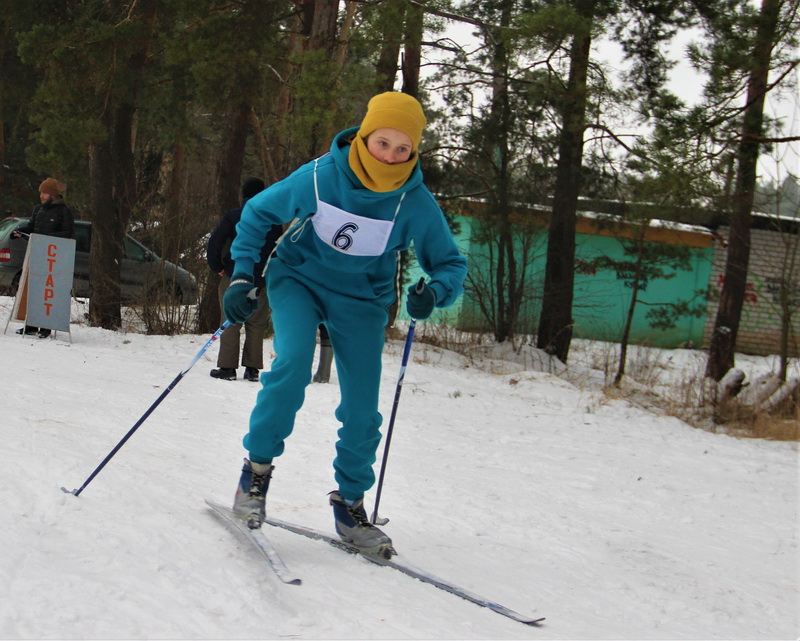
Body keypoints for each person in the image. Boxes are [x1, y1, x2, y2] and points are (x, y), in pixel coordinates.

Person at [222, 92, 468, 557]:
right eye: (383, 143)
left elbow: (450, 264)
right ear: (364, 135)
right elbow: (257, 213)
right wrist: (241, 273)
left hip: (363, 299)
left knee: (361, 405)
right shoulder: (321, 176)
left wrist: (434, 292)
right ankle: (254, 475)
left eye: (403, 149)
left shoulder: (413, 200)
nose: (391, 156)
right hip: (299, 279)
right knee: (292, 363)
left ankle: (351, 505)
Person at [206, 178, 283, 382]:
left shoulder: (234, 216)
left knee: (231, 319)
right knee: (256, 323)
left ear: (243, 195)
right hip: (262, 279)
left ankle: (227, 367)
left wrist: (217, 266)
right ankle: (252, 368)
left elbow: (215, 242)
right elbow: (277, 250)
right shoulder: (274, 219)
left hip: (235, 275)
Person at [13, 177, 75, 339]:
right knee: (33, 290)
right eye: (40, 193)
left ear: (53, 195)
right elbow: (31, 226)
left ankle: (46, 326)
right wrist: (19, 231)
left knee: (48, 292)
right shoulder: (38, 209)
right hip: (36, 255)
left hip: (53, 258)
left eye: (45, 193)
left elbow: (67, 233)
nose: (41, 196)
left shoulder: (64, 211)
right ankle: (31, 325)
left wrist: (45, 237)